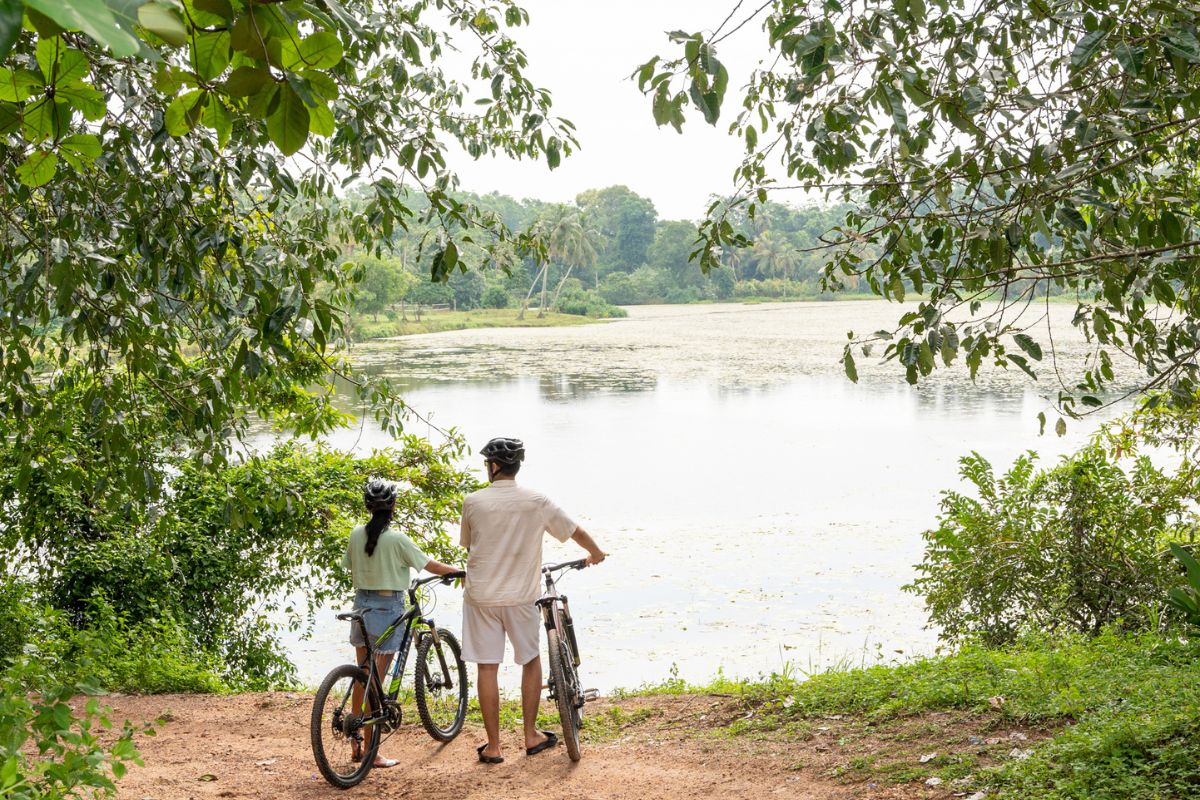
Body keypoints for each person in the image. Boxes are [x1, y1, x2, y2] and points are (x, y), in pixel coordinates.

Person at [459, 437, 606, 764]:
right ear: (516, 466)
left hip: (481, 595)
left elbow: (469, 545)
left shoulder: (473, 501)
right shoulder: (536, 501)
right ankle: (530, 735)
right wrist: (595, 553)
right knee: (529, 659)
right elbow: (573, 530)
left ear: (493, 467)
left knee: (487, 666)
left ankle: (494, 746)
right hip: (520, 595)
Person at [343, 478, 461, 767]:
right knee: (376, 682)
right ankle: (373, 751)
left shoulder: (356, 534)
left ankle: (356, 742)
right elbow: (429, 565)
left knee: (364, 674)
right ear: (393, 507)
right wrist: (459, 571)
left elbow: (349, 565)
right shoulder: (397, 539)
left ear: (368, 506)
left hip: (361, 604)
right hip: (387, 608)